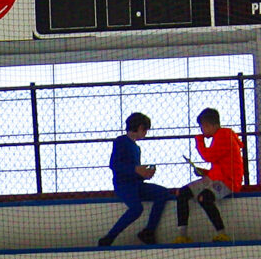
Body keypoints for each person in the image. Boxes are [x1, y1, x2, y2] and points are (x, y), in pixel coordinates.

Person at [96, 113, 175, 248]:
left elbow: (135, 171)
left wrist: (144, 174)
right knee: (136, 208)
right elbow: (114, 165)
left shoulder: (136, 147)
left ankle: (149, 231)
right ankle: (108, 238)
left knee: (162, 193)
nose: (145, 133)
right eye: (145, 130)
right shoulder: (121, 141)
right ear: (139, 127)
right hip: (123, 185)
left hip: (137, 184)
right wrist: (135, 170)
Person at [171, 106, 248, 242]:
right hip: (215, 178)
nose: (202, 131)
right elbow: (219, 163)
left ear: (206, 125)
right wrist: (205, 172)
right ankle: (182, 235)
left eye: (202, 127)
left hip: (228, 181)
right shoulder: (221, 136)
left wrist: (199, 141)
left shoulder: (224, 136)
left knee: (204, 198)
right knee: (182, 193)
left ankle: (221, 233)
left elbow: (208, 156)